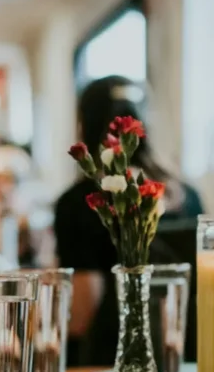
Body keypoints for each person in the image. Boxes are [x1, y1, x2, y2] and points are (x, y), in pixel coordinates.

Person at [54, 76, 202, 357]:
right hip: (185, 357)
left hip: (109, 364)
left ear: (84, 125)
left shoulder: (79, 202)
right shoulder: (189, 197)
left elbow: (84, 316)